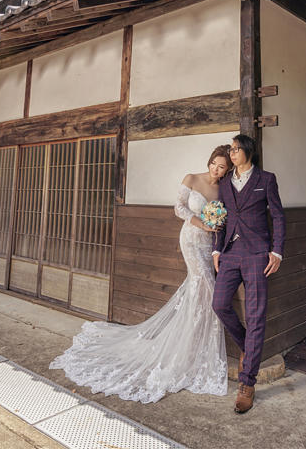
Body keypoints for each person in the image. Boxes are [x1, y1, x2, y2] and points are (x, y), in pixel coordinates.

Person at [49, 145, 232, 403]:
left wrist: (217, 224)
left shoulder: (222, 190)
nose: (215, 168)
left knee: (200, 289)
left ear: (227, 170)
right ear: (210, 160)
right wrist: (201, 222)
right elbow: (179, 208)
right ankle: (187, 344)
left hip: (209, 243)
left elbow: (225, 217)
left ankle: (192, 344)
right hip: (191, 238)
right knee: (204, 286)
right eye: (214, 162)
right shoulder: (191, 178)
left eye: (221, 166)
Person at [211, 133, 285, 414]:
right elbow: (223, 217)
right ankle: (248, 346)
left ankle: (247, 383)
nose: (231, 153)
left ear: (248, 152)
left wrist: (276, 251)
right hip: (229, 253)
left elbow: (277, 215)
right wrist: (217, 250)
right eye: (230, 149)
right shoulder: (226, 182)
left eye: (236, 149)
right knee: (219, 304)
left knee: (255, 314)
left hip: (257, 254)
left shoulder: (266, 179)